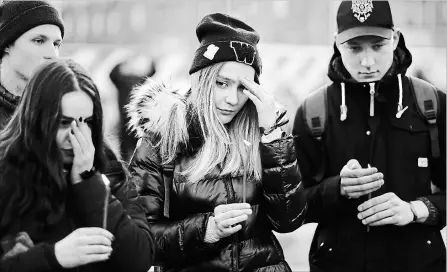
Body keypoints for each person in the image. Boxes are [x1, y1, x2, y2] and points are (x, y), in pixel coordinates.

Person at [127, 13, 306, 272]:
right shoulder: (162, 139)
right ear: (202, 80)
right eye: (222, 84)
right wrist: (206, 229)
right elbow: (140, 239)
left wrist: (272, 135)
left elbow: (289, 220)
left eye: (243, 87)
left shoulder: (262, 132)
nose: (232, 99)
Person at [292, 1, 446, 272]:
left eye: (378, 46)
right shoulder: (312, 113)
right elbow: (291, 209)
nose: (367, 62)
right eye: (354, 48)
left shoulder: (432, 104)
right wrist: (337, 188)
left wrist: (415, 210)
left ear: (395, 38)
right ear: (337, 44)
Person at [0, 59, 154, 272]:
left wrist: (89, 183)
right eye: (64, 122)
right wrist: (53, 257)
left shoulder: (110, 169)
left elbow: (138, 260)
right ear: (37, 119)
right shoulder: (7, 170)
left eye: (88, 122)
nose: (76, 136)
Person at [0, 0, 64, 129]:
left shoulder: (64, 107)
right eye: (39, 41)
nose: (52, 54)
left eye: (56, 44)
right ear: (7, 43)